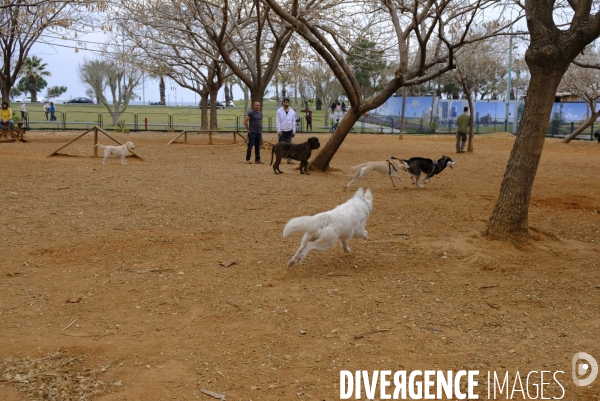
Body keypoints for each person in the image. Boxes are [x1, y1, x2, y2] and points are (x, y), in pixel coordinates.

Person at [276, 97, 297, 164]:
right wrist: (278, 130)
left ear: (289, 103)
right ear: (283, 102)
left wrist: (294, 130)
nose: (286, 103)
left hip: (289, 131)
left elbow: (293, 122)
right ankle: (278, 159)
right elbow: (278, 121)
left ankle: (289, 159)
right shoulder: (279, 111)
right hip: (281, 131)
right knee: (280, 146)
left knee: (289, 146)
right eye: (285, 102)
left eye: (288, 102)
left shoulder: (292, 112)